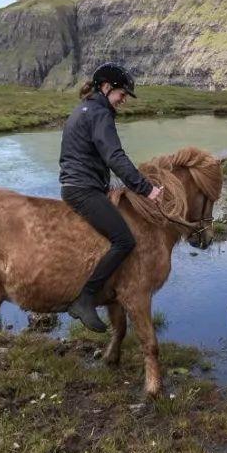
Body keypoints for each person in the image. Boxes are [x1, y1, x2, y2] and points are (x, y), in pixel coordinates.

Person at [59, 62, 162, 332]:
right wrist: (146, 188)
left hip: (78, 185)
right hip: (83, 189)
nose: (123, 100)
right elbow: (114, 156)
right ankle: (85, 299)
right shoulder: (99, 114)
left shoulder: (84, 109)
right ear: (106, 87)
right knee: (124, 239)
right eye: (121, 94)